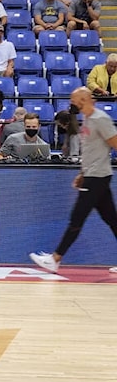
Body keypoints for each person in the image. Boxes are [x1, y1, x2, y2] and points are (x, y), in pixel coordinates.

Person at [30, 87, 117, 272]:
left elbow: (115, 143)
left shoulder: (100, 119)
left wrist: (88, 174)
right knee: (112, 220)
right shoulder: (86, 119)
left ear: (84, 100)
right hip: (93, 175)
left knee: (76, 219)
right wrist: (82, 173)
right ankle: (55, 258)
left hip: (97, 178)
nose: (71, 103)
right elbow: (92, 150)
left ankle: (55, 259)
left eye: (74, 99)